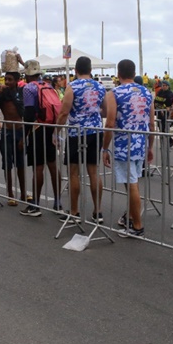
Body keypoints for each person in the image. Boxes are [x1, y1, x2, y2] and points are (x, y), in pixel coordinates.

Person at [102, 59, 155, 237]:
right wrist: (150, 146)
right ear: (133, 73)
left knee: (131, 182)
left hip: (124, 144)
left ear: (118, 74)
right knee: (132, 180)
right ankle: (131, 217)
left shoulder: (114, 93)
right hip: (141, 142)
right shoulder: (147, 93)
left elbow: (109, 123)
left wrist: (104, 148)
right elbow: (152, 123)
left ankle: (137, 225)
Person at [57, 56, 106, 223]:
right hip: (96, 130)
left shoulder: (73, 86)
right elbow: (105, 111)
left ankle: (75, 211)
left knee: (74, 172)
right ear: (91, 70)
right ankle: (98, 211)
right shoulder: (100, 87)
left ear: (75, 70)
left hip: (76, 132)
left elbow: (64, 112)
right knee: (94, 171)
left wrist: (56, 132)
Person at [19, 59, 62, 215]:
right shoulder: (48, 86)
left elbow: (29, 114)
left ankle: (35, 205)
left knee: (38, 167)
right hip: (50, 128)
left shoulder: (28, 88)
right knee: (52, 165)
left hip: (37, 129)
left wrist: (24, 136)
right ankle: (58, 202)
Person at [0, 71, 27, 206]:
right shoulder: (3, 94)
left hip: (21, 132)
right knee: (8, 164)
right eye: (5, 79)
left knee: (20, 164)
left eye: (10, 80)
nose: (7, 82)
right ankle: (10, 194)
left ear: (17, 80)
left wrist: (24, 137)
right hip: (7, 132)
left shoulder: (22, 93)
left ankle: (23, 192)